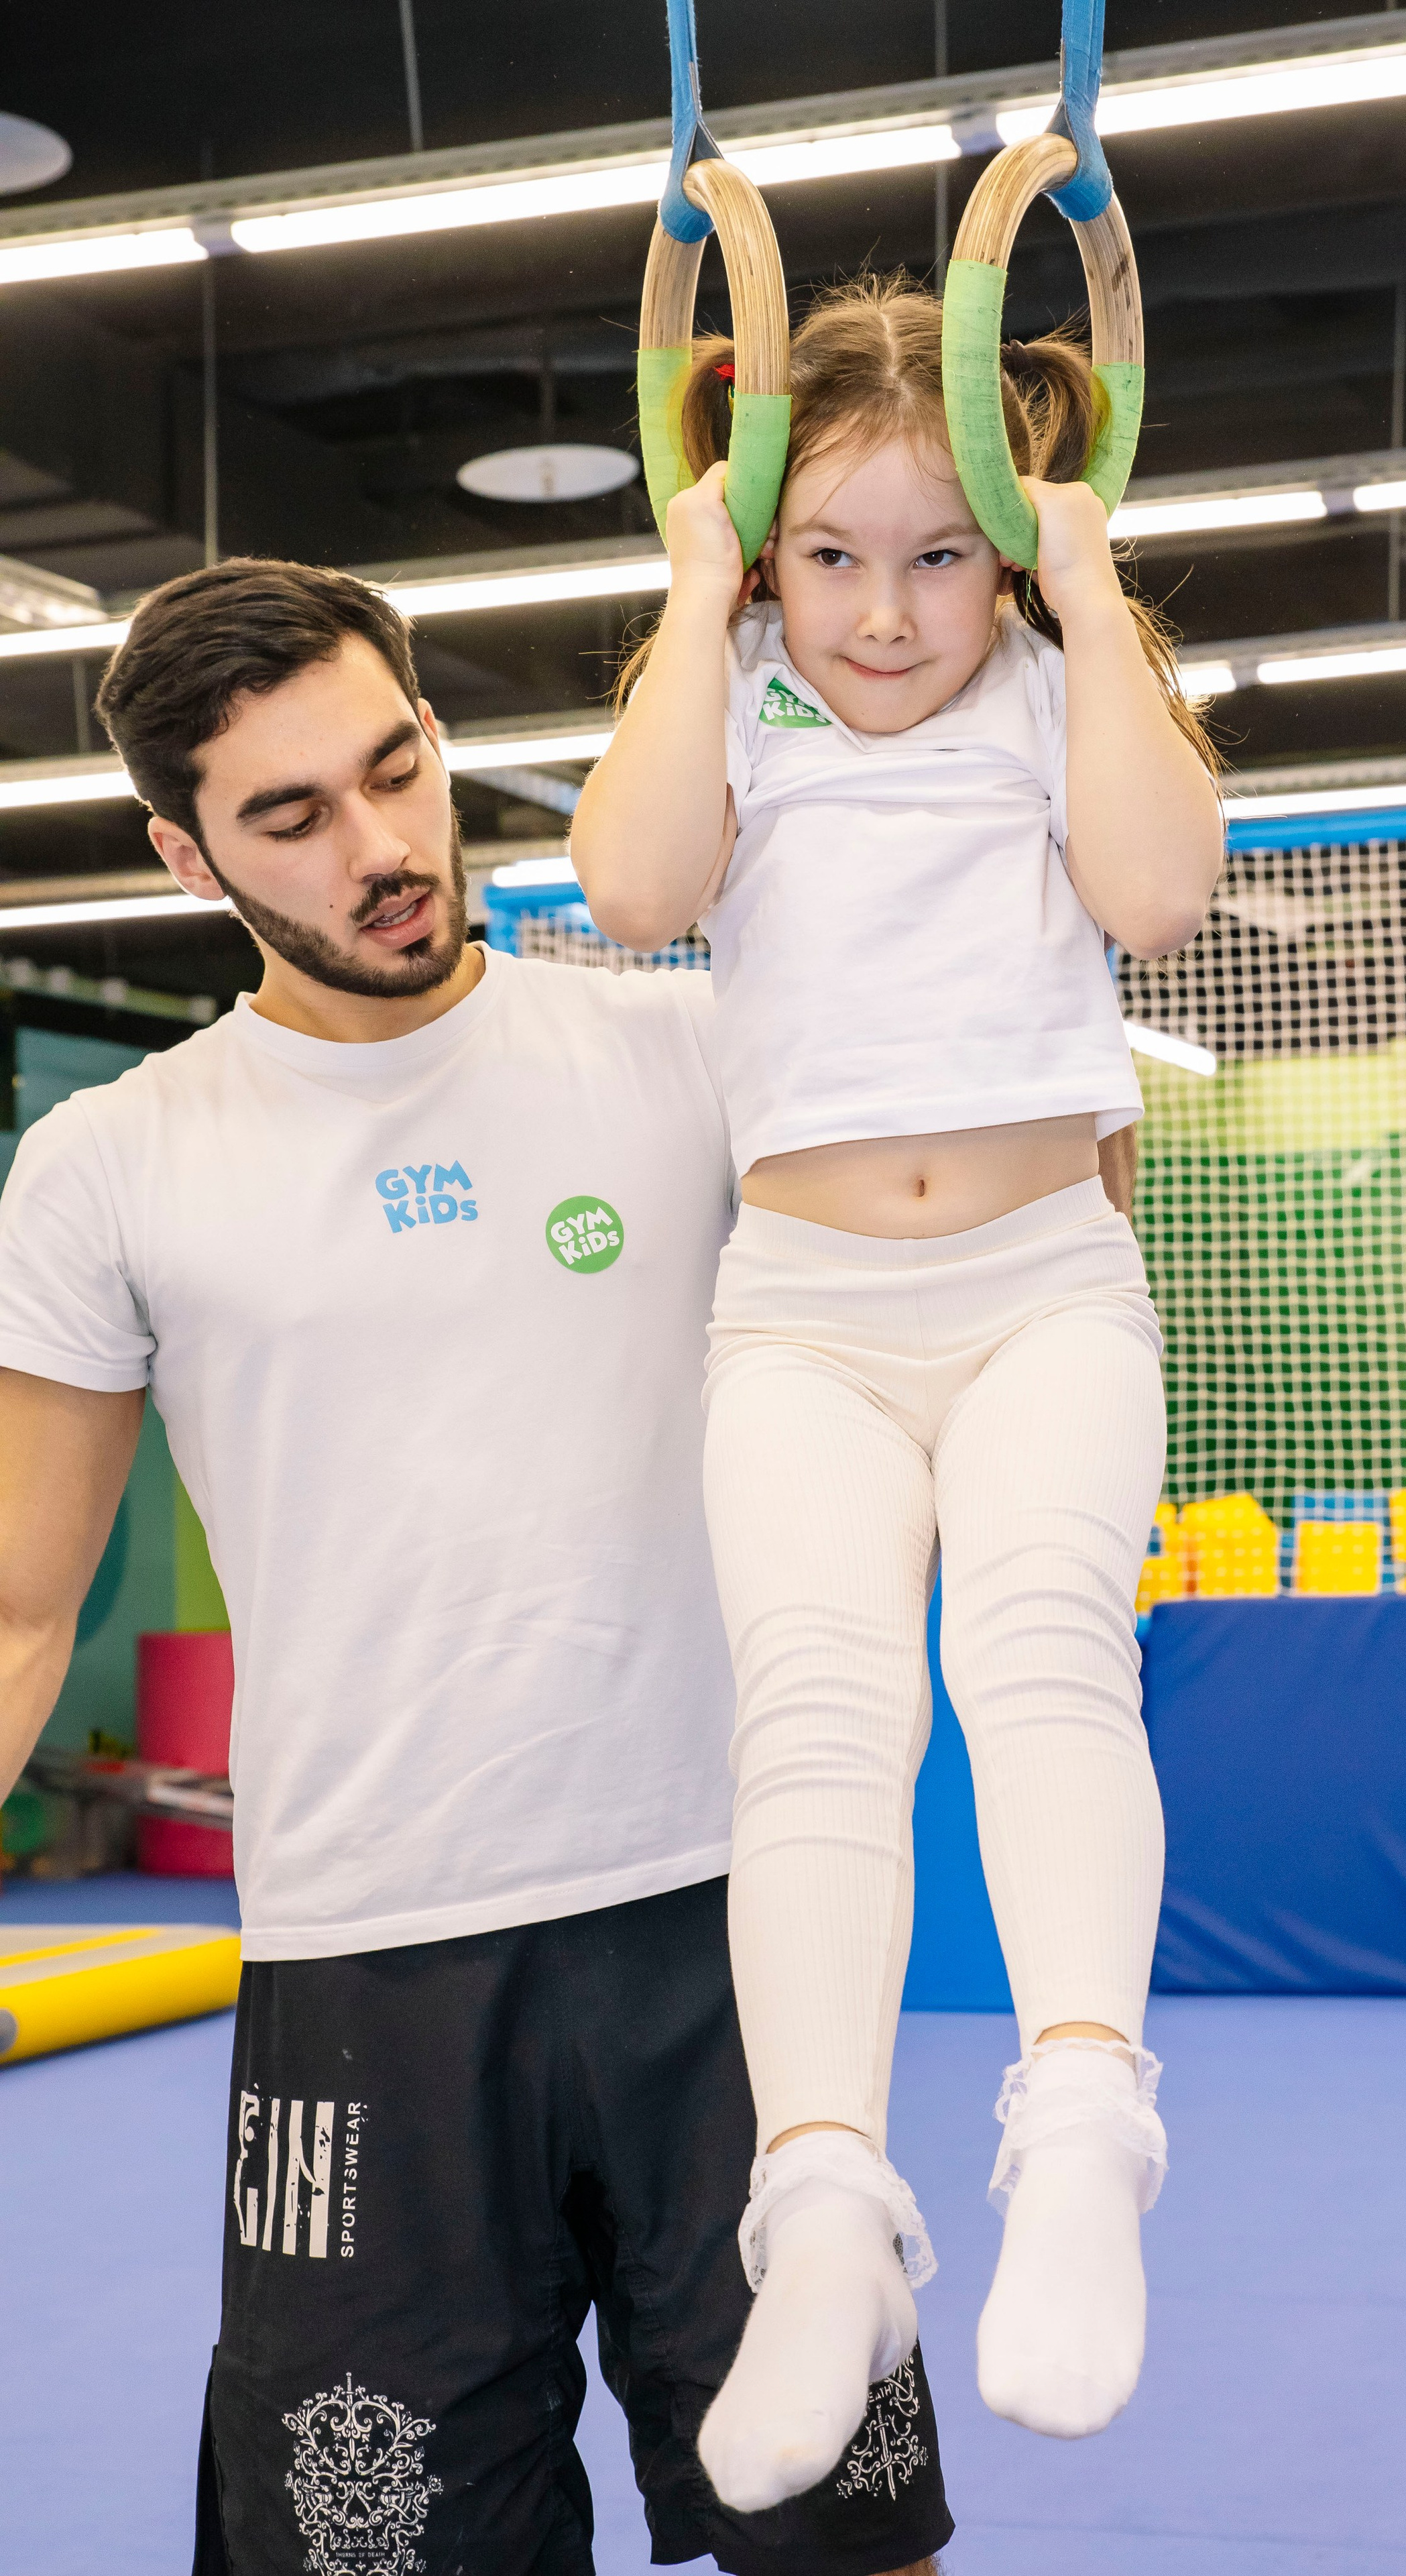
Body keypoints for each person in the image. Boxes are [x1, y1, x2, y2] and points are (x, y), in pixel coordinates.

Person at [0, 558, 952, 2576]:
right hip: (369, 1968)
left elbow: (973, 1241)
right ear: (186, 854)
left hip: (729, 1932)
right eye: (292, 816)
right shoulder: (115, 1163)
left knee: (856, 2540)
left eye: (395, 770)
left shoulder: (689, 1056)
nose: (380, 846)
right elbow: (17, 1609)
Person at [571, 280, 1224, 2513]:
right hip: (807, 1313)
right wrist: (686, 587)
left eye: (940, 550)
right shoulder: (734, 696)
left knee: (1043, 1652)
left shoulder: (1056, 688)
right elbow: (637, 885)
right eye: (830, 555)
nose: (884, 609)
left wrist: (1090, 584)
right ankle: (825, 2201)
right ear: (764, 557)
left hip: (1047, 1282)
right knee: (821, 1717)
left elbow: (1154, 892)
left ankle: (1077, 2119)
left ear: (1016, 544)